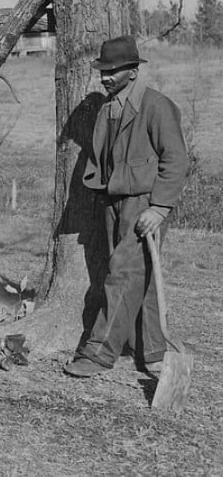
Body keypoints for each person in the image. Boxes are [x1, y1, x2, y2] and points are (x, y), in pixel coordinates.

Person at [64, 34, 190, 378]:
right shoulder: (109, 106)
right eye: (103, 70)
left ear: (133, 71)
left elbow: (176, 160)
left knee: (123, 274)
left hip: (144, 205)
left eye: (113, 70)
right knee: (139, 277)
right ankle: (152, 349)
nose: (105, 76)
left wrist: (159, 208)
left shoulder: (156, 106)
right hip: (114, 202)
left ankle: (99, 353)